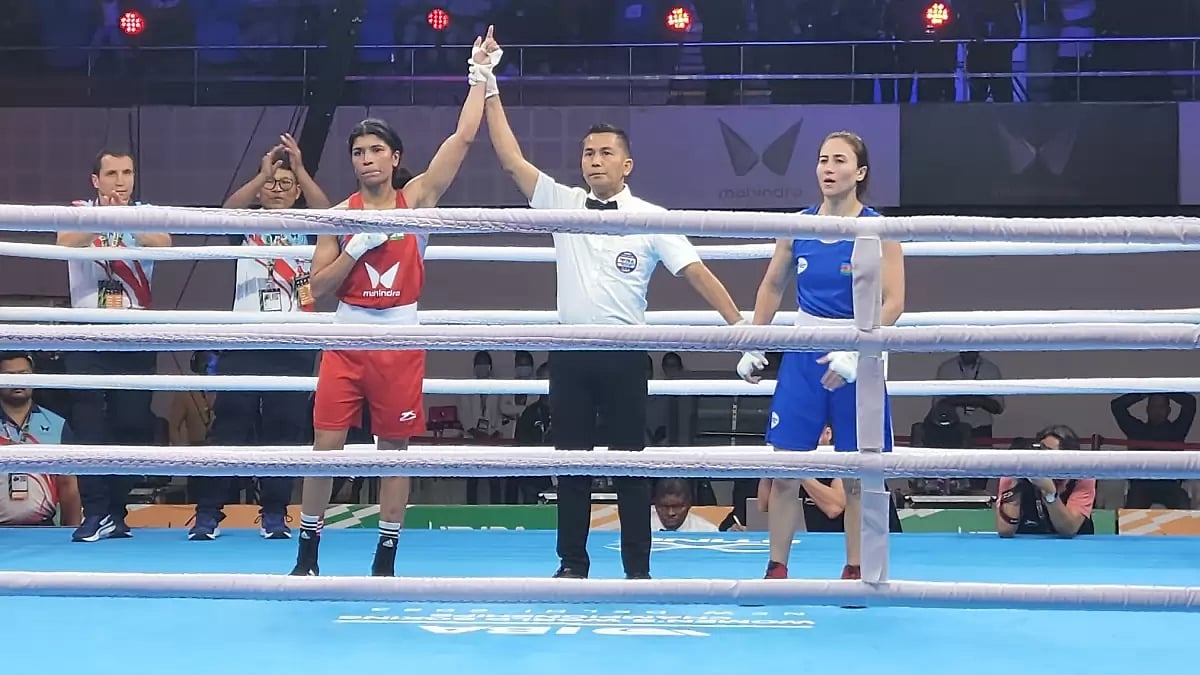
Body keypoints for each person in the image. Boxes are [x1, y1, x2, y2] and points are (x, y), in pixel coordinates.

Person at [484, 81, 745, 580]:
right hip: (571, 354)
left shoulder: (652, 218)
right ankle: (572, 564)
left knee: (631, 468)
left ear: (626, 165)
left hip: (626, 355)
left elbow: (696, 271)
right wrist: (490, 86)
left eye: (605, 152)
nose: (594, 160)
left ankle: (637, 570)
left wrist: (742, 331)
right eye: (587, 152)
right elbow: (512, 161)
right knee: (572, 467)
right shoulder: (562, 202)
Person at [291, 27, 501, 577]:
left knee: (394, 448)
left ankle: (386, 555)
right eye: (358, 152)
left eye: (375, 150)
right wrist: (356, 245)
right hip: (347, 334)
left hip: (400, 336)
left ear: (394, 156)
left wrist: (479, 75)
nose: (366, 159)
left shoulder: (419, 200)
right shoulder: (338, 215)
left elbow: (461, 140)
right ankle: (307, 553)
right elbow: (317, 288)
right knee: (326, 444)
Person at [737, 131, 905, 581]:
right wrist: (756, 341)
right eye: (822, 160)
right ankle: (776, 567)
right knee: (787, 468)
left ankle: (855, 567)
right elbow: (772, 286)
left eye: (839, 160)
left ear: (860, 172)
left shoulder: (877, 230)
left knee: (857, 474)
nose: (827, 168)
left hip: (858, 356)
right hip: (803, 351)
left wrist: (859, 347)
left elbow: (894, 301)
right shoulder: (799, 227)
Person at [188, 134, 331, 541]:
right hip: (246, 339)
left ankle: (274, 515)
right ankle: (207, 515)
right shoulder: (246, 225)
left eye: (287, 185)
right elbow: (226, 211)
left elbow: (331, 215)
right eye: (273, 183)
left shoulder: (309, 227)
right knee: (228, 428)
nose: (278, 189)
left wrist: (299, 168)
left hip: (294, 341)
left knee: (284, 431)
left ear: (298, 190)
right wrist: (261, 174)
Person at [58, 148, 170, 542]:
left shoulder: (145, 211)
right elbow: (65, 240)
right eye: (112, 173)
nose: (120, 181)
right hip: (88, 332)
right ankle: (96, 511)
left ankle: (116, 513)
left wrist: (127, 218)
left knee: (131, 423)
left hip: (136, 332)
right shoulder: (79, 209)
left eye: (127, 173)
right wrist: (103, 217)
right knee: (89, 422)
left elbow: (164, 243)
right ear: (96, 180)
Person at [0, 353, 82, 527]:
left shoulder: (57, 425)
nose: (17, 382)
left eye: (24, 375)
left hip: (43, 529)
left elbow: (68, 488)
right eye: (9, 376)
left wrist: (71, 535)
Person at [995, 426, 1096, 537]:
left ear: (1068, 462)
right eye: (1042, 451)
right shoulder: (1016, 471)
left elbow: (1069, 529)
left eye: (1050, 454)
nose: (1043, 459)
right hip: (1027, 547)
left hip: (1076, 548)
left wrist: (1050, 494)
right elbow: (1005, 531)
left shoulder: (1083, 476)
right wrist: (1015, 486)